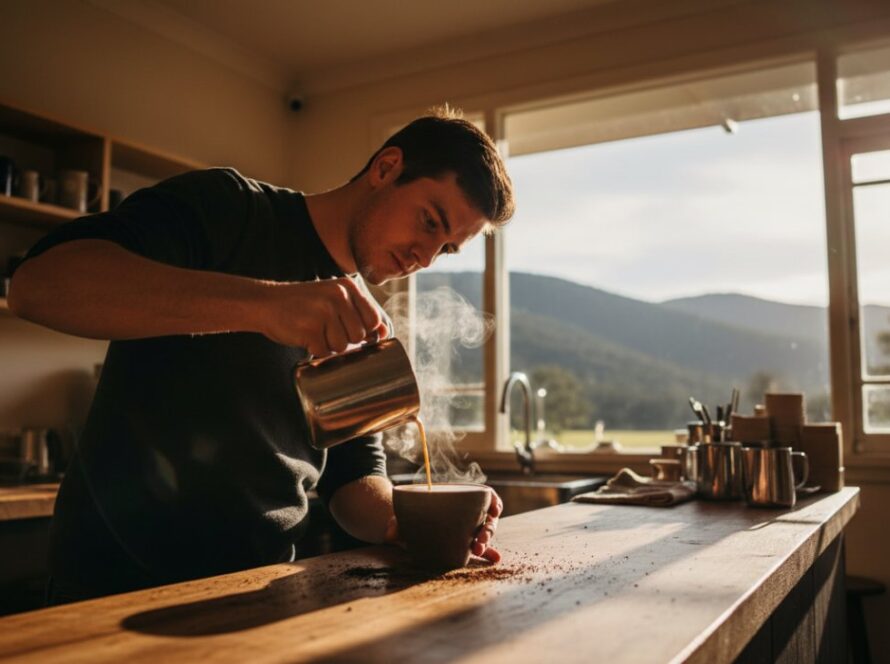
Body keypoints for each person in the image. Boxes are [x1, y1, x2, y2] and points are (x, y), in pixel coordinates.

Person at [8, 109, 515, 604]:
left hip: (254, 591)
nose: (424, 258)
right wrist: (267, 306)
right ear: (386, 168)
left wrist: (406, 523)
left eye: (446, 249)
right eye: (430, 222)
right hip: (110, 586)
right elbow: (39, 285)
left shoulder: (358, 316)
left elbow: (353, 478)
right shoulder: (230, 209)